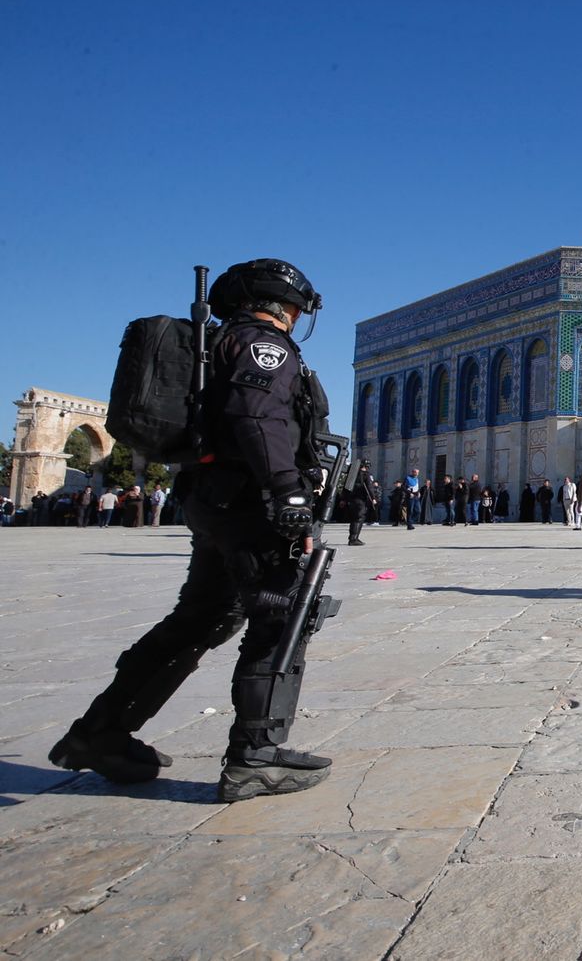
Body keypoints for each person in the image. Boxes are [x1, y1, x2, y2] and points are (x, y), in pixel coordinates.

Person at [49, 257, 334, 801]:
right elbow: (257, 417)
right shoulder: (263, 346)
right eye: (298, 308)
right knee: (281, 614)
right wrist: (288, 493)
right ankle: (256, 754)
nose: (297, 317)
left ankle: (100, 733)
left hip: (212, 499)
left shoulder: (218, 344)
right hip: (251, 501)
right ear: (286, 306)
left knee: (203, 615)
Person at [347, 459, 378, 545]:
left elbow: (346, 487)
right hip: (360, 499)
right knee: (359, 518)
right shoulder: (366, 475)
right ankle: (354, 539)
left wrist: (343, 499)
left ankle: (352, 537)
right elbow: (369, 487)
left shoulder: (352, 474)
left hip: (351, 499)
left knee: (354, 518)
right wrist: (373, 498)